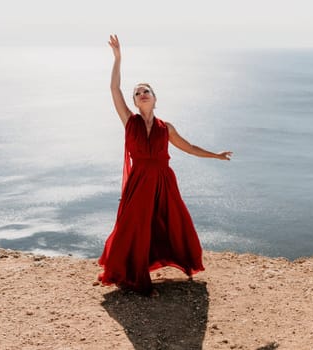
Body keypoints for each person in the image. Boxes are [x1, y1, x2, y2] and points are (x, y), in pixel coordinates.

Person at [98, 34, 233, 296]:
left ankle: (179, 262)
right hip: (139, 183)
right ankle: (135, 278)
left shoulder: (166, 128)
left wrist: (215, 156)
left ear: (154, 98)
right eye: (137, 93)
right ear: (135, 102)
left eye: (145, 90)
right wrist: (118, 59)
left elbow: (189, 147)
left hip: (163, 182)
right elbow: (114, 89)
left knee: (172, 222)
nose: (141, 94)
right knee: (133, 227)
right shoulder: (130, 122)